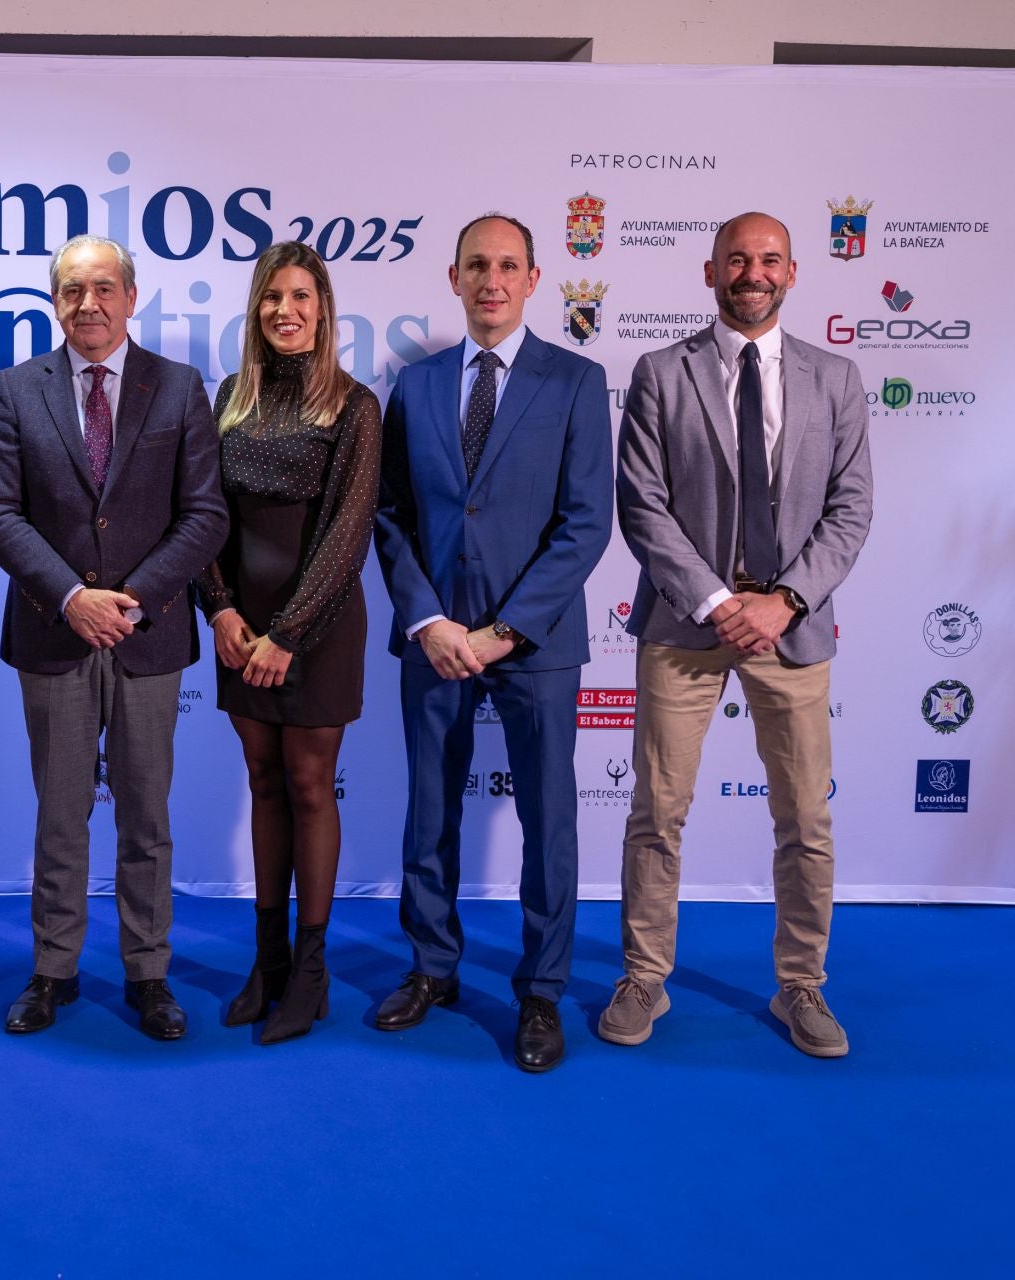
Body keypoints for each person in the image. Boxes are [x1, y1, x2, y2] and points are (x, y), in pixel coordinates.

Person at [602, 212, 872, 1058]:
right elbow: (641, 504)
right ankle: (645, 975)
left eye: (767, 260)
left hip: (792, 629)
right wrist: (720, 602)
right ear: (709, 270)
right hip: (686, 623)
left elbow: (851, 508)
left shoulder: (836, 378)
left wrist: (784, 600)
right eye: (736, 259)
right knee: (657, 812)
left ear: (791, 271)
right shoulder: (659, 372)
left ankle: (802, 987)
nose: (751, 272)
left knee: (804, 820)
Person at [371, 213, 612, 1072]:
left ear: (535, 280)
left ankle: (541, 991)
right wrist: (429, 621)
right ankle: (432, 967)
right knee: (429, 809)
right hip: (434, 639)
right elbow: (391, 515)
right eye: (477, 265)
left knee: (548, 819)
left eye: (508, 265)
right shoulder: (418, 383)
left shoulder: (577, 382)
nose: (492, 280)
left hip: (534, 642)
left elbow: (586, 524)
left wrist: (505, 631)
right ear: (453, 276)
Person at [0, 234, 227, 1040]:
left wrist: (135, 597)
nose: (89, 303)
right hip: (54, 632)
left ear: (131, 295)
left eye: (104, 288)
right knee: (60, 811)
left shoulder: (180, 388)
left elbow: (206, 515)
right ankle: (54, 968)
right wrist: (72, 595)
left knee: (147, 815)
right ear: (56, 300)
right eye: (73, 290)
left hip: (147, 637)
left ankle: (149, 971)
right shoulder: (15, 389)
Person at [195, 242, 382, 1044]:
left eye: (301, 297)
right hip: (241, 627)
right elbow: (201, 514)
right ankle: (265, 961)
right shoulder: (230, 398)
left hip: (320, 623)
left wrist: (287, 634)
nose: (286, 311)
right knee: (262, 782)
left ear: (324, 307)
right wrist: (222, 612)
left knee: (310, 786)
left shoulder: (353, 404)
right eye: (273, 298)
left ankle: (311, 970)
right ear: (256, 309)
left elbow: (347, 532)